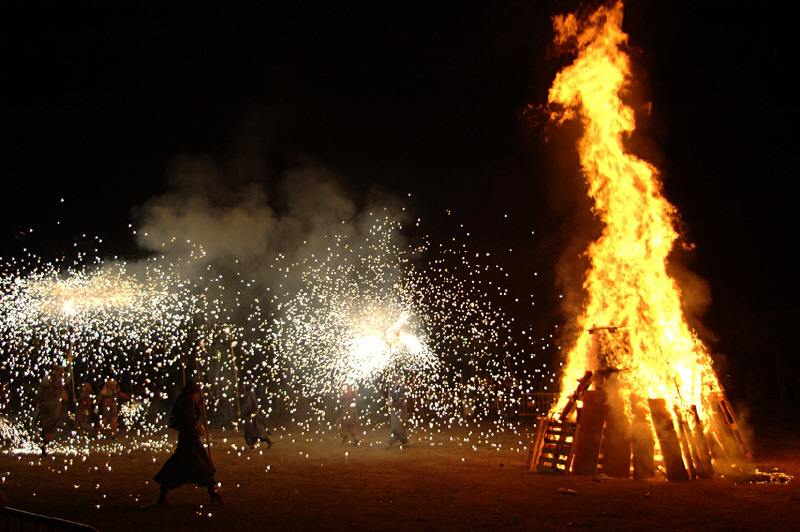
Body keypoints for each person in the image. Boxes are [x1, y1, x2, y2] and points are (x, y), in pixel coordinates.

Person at [154, 380, 224, 506]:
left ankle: (162, 496)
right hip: (190, 442)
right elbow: (187, 422)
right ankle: (214, 495)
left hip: (187, 441)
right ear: (193, 393)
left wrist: (197, 408)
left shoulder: (186, 401)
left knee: (177, 468)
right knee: (203, 467)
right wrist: (198, 430)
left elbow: (190, 416)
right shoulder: (187, 402)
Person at [34, 364, 71, 455]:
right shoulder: (60, 381)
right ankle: (45, 441)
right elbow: (68, 380)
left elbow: (40, 393)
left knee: (46, 423)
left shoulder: (46, 379)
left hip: (45, 403)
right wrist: (69, 367)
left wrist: (39, 401)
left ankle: (44, 440)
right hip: (54, 404)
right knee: (51, 423)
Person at [385, 374, 410, 449]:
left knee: (397, 425)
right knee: (396, 425)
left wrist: (393, 403)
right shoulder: (393, 386)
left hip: (400, 408)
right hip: (395, 408)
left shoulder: (401, 387)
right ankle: (404, 441)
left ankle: (393, 441)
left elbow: (401, 399)